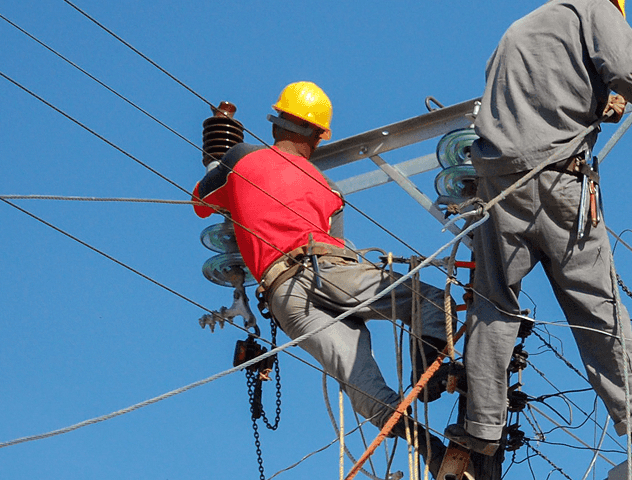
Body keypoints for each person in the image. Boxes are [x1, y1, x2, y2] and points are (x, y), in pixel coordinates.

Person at [449, 0, 632, 457]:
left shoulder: (519, 29)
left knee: (490, 306)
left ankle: (482, 428)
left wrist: (598, 106)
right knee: (595, 303)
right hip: (558, 182)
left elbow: (538, 101)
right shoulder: (594, 9)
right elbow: (621, 63)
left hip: (498, 186)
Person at [193, 81, 454, 435]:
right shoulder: (330, 190)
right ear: (317, 137)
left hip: (283, 295)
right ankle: (430, 373)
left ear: (275, 123)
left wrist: (218, 159)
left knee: (361, 383)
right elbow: (339, 249)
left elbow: (202, 201)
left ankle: (429, 451)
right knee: (431, 301)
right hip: (327, 269)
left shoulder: (242, 158)